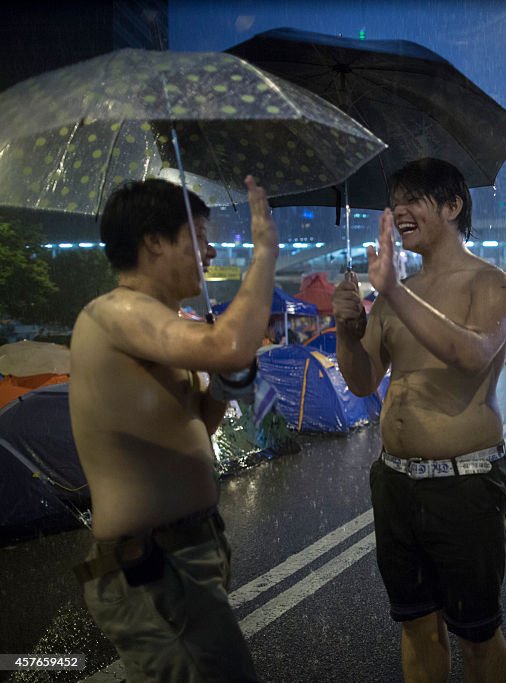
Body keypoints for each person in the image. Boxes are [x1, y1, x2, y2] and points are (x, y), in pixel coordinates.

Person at [69, 176, 278, 682]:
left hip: (185, 555)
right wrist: (264, 253)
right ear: (154, 242)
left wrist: (222, 390)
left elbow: (196, 426)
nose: (208, 252)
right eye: (199, 235)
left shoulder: (162, 323)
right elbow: (229, 347)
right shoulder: (116, 313)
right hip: (152, 568)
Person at [332, 158, 506, 683]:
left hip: (466, 486)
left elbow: (472, 353)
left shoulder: (489, 283)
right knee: (415, 626)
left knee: (476, 634)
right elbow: (363, 380)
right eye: (395, 203)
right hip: (395, 482)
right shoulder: (397, 294)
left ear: (453, 205)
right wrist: (348, 329)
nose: (399, 212)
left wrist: (391, 292)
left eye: (413, 199)